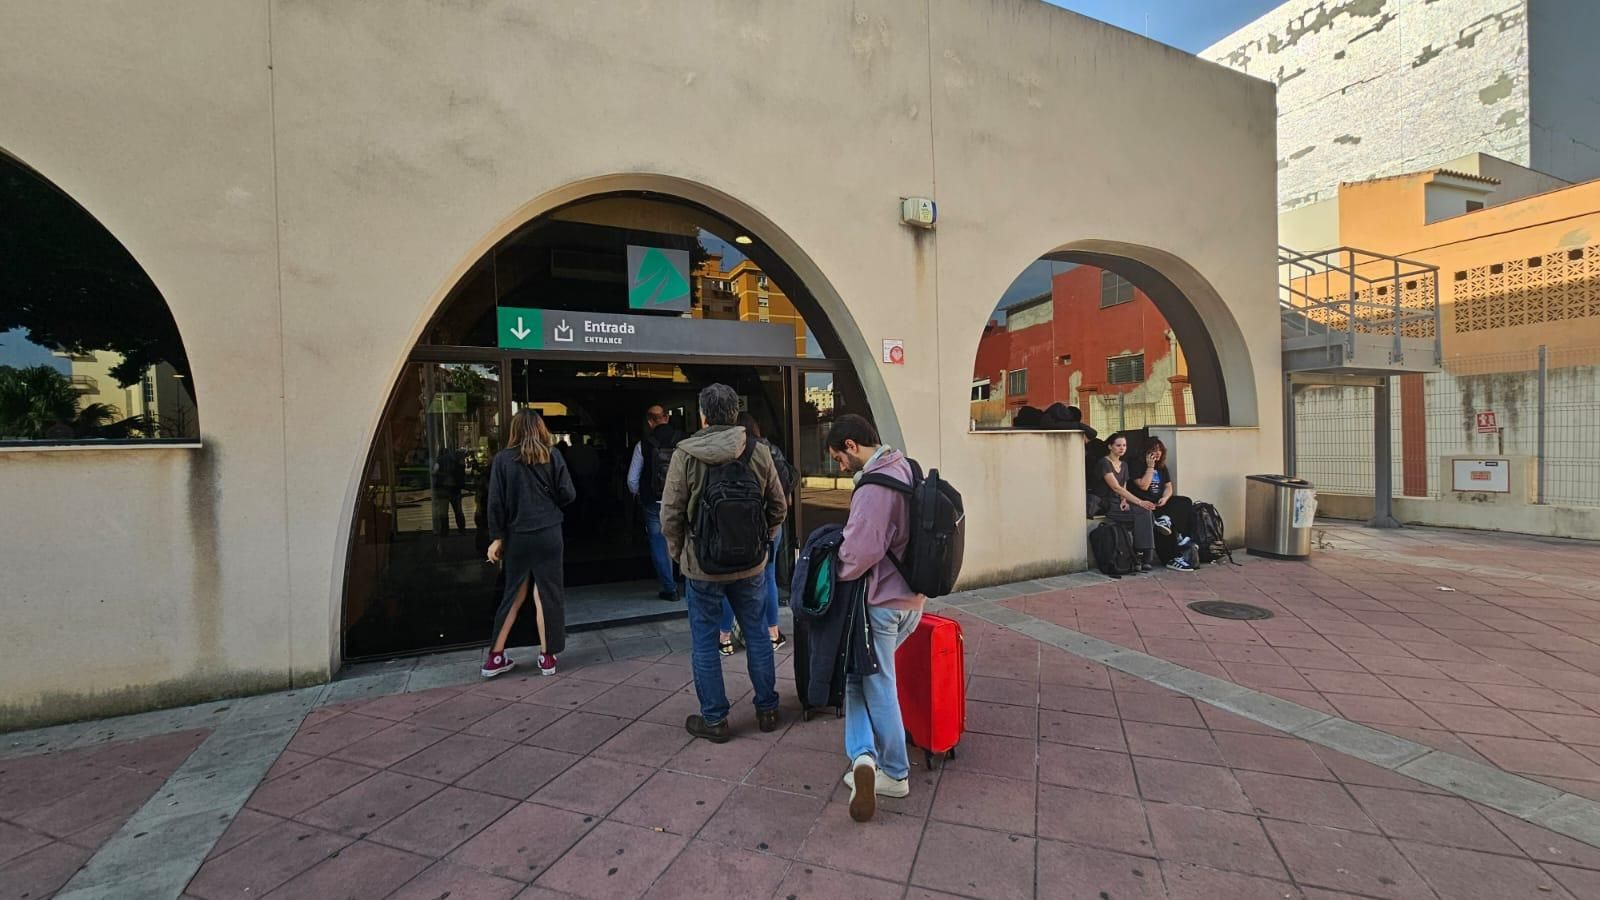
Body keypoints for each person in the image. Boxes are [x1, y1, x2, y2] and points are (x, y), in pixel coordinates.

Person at [661, 384, 789, 742]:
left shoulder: (685, 454)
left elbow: (670, 515)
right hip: (751, 565)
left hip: (702, 565)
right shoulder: (757, 450)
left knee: (704, 641)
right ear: (735, 414)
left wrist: (680, 554)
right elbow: (778, 506)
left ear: (703, 415)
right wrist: (764, 542)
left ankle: (715, 719)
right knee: (758, 634)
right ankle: (767, 709)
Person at [825, 413, 924, 823]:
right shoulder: (905, 466)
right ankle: (863, 760)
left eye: (838, 458)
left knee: (878, 684)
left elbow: (859, 553)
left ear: (851, 445)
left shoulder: (874, 486)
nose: (839, 467)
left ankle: (895, 772)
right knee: (858, 677)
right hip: (911, 601)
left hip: (881, 603)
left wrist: (834, 570)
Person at [484, 409, 576, 678]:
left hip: (518, 536)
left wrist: (497, 536)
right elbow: (568, 493)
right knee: (546, 594)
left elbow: (495, 503)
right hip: (549, 533)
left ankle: (495, 657)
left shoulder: (502, 460)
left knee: (513, 594)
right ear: (540, 428)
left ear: (515, 429)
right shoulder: (552, 455)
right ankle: (547, 657)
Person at [716, 412, 792, 656]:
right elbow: (784, 494)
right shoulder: (771, 451)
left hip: (733, 527)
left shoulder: (725, 451)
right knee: (767, 577)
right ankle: (771, 634)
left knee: (728, 580)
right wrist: (772, 524)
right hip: (768, 526)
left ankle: (724, 639)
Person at [627, 404, 684, 602]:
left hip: (654, 501)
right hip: (680, 499)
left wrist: (640, 495)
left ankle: (670, 588)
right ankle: (688, 579)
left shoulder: (643, 444)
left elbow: (632, 480)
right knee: (685, 538)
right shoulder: (684, 441)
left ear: (650, 421)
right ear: (666, 418)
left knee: (659, 544)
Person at [1095, 432, 1160, 573]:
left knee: (1145, 513)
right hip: (1106, 503)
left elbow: (1123, 485)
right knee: (1145, 512)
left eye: (1124, 445)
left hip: (1119, 501)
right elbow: (1115, 487)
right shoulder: (1104, 463)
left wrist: (1124, 500)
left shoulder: (1124, 464)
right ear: (1110, 447)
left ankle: (1141, 555)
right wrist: (1140, 502)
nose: (1122, 448)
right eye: (1118, 445)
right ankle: (1145, 556)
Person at [1132, 437, 1197, 571]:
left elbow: (1168, 487)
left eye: (1160, 450)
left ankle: (1182, 536)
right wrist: (1150, 467)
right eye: (1154, 450)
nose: (1158, 453)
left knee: (1185, 502)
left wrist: (1165, 498)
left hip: (1160, 503)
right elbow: (1143, 485)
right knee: (1164, 529)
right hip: (1145, 503)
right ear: (1146, 451)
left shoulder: (1162, 467)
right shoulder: (1137, 464)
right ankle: (1170, 555)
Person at [431, 446, 468, 535]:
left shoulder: (439, 460)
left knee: (443, 512)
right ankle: (462, 529)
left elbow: (434, 472)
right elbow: (461, 472)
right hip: (455, 489)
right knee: (458, 510)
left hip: (443, 489)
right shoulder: (455, 459)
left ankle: (444, 531)